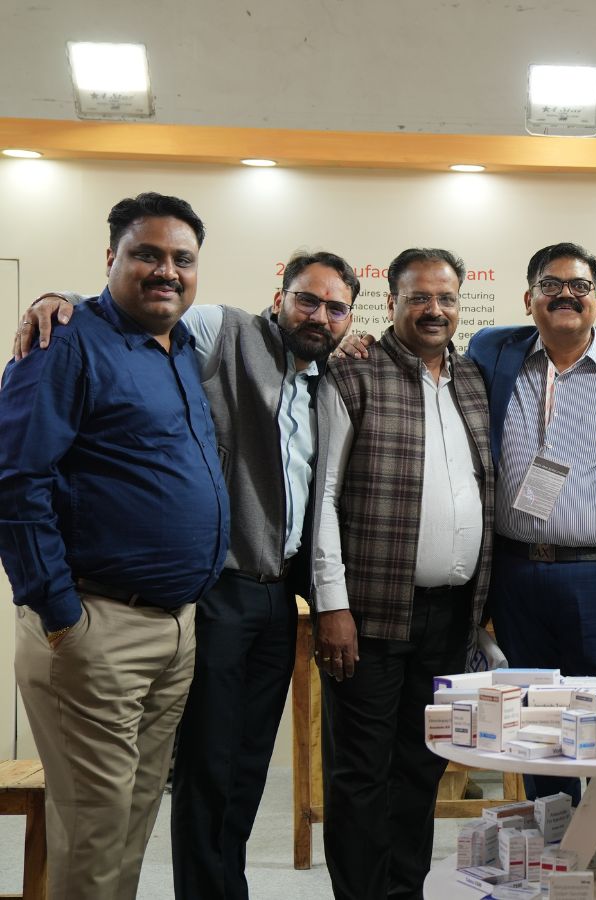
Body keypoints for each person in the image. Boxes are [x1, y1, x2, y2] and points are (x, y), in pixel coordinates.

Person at [16, 250, 360, 900]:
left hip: (279, 598)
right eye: (307, 300)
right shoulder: (223, 329)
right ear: (279, 297)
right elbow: (141, 309)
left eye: (335, 307)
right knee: (207, 770)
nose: (319, 315)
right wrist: (60, 302)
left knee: (245, 769)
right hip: (220, 593)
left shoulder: (330, 381)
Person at [0, 192, 229, 900]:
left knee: (131, 819)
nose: (167, 271)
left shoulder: (182, 348)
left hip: (175, 629)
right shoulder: (64, 343)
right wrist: (59, 612)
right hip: (96, 628)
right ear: (110, 258)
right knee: (95, 832)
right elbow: (17, 481)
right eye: (147, 255)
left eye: (182, 259)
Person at [312, 247, 493, 900]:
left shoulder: (473, 378)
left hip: (451, 615)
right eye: (418, 297)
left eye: (446, 298)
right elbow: (324, 497)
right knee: (361, 773)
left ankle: (404, 892)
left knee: (421, 767)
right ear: (392, 303)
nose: (433, 309)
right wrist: (332, 606)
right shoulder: (353, 372)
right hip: (369, 612)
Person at [466, 241, 596, 801]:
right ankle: (553, 837)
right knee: (537, 722)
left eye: (580, 286)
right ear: (528, 298)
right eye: (550, 285)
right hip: (515, 575)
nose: (566, 295)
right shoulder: (491, 351)